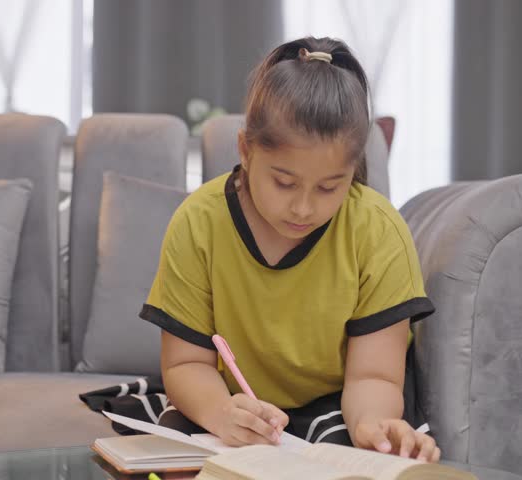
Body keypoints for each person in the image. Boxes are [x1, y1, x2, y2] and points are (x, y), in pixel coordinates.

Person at [140, 36, 439, 463]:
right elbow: (187, 366)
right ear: (246, 150)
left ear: (352, 169)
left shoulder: (376, 229)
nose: (302, 208)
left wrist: (373, 426)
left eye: (329, 187)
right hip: (229, 404)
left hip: (337, 404)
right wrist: (223, 414)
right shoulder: (199, 222)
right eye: (284, 182)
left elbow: (373, 376)